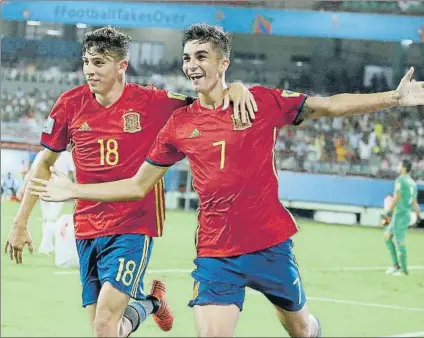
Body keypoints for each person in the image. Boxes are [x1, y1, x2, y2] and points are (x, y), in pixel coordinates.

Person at [29, 24, 424, 337]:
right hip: (216, 253)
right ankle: (152, 305)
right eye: (186, 57)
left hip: (270, 244)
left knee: (301, 329)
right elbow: (137, 185)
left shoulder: (260, 102)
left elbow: (326, 106)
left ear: (224, 62)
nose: (192, 65)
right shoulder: (178, 125)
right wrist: (75, 189)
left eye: (202, 56)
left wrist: (391, 98)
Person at [4, 26, 256, 338]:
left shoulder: (153, 102)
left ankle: (148, 303)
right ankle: (152, 303)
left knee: (104, 326)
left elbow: (207, 103)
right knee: (108, 329)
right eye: (86, 62)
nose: (89, 71)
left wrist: (237, 88)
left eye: (99, 63)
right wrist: (20, 221)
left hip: (133, 224)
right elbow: (44, 162)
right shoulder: (70, 104)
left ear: (122, 65)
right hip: (87, 226)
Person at [17, 148, 76, 255]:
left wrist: (23, 187)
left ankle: (47, 244)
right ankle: (45, 246)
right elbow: (74, 173)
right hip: (58, 189)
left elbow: (32, 172)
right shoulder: (66, 156)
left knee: (46, 217)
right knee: (51, 218)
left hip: (43, 187)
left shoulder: (42, 153)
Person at [382, 159, 421, 276]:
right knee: (387, 236)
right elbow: (414, 202)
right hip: (404, 214)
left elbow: (396, 197)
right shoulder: (413, 183)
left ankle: (403, 270)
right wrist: (418, 215)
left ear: (404, 168)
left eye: (399, 165)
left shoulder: (400, 180)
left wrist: (388, 211)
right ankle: (395, 265)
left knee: (400, 242)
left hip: (400, 215)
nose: (398, 167)